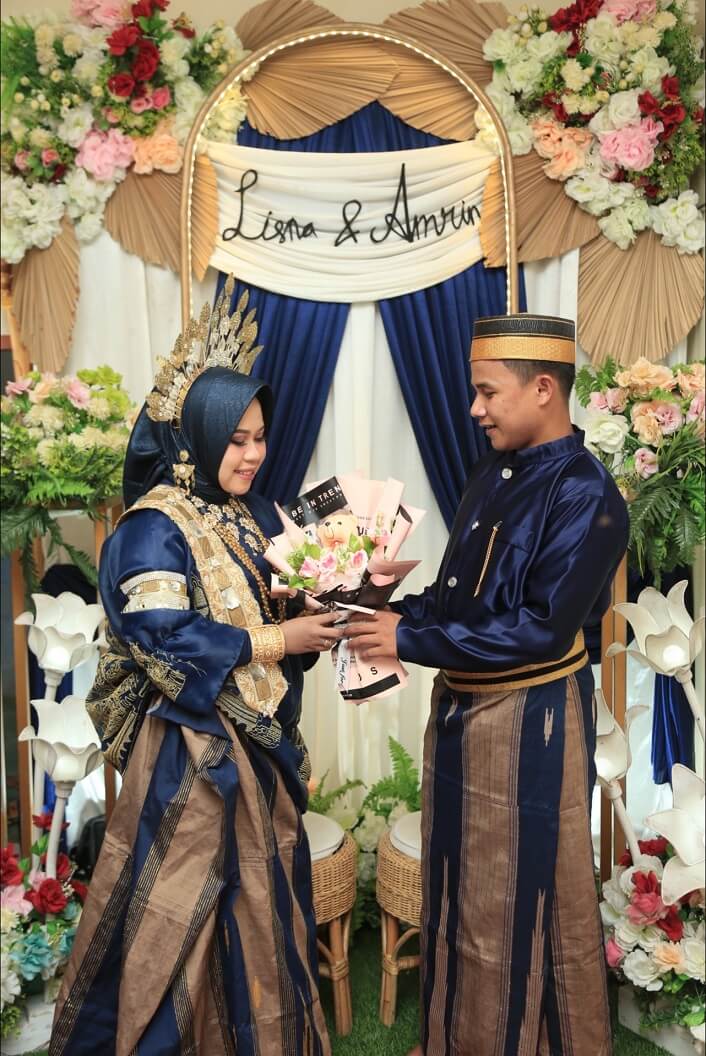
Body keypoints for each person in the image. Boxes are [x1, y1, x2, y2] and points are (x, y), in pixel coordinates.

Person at [50, 280, 341, 1056]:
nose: (253, 455)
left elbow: (258, 615)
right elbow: (161, 637)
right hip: (189, 755)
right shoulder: (152, 526)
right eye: (236, 439)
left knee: (258, 909)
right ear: (198, 437)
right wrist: (279, 639)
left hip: (255, 742)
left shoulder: (247, 515)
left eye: (260, 438)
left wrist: (313, 608)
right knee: (178, 913)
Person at [347, 314, 629, 1056]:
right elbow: (459, 598)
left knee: (515, 895)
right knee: (457, 889)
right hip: (460, 713)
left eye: (487, 392)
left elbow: (539, 629)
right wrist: (384, 613)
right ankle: (452, 1037)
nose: (474, 409)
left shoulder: (588, 494)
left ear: (543, 389)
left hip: (530, 719)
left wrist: (409, 639)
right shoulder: (493, 471)